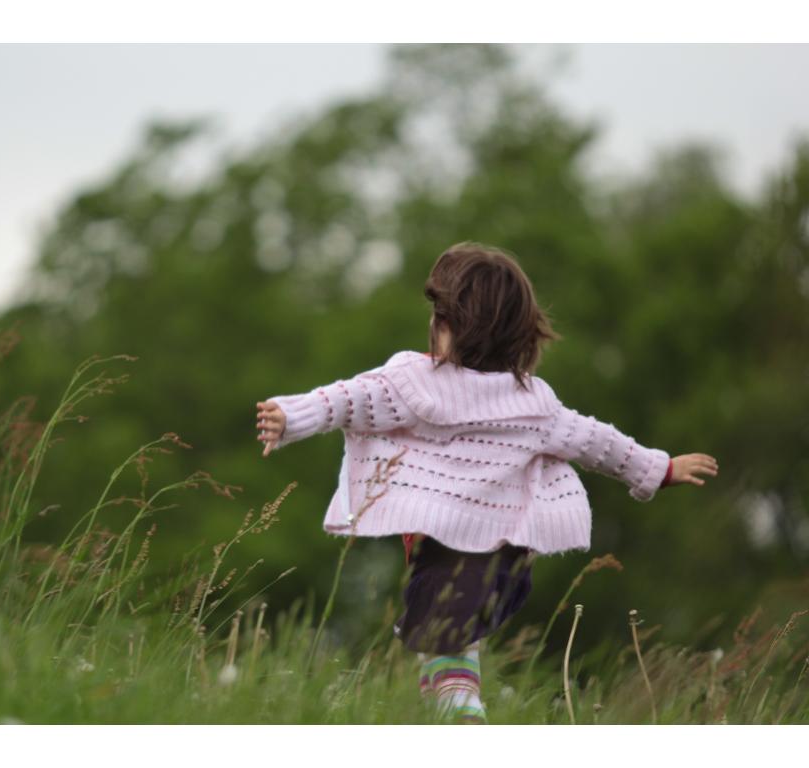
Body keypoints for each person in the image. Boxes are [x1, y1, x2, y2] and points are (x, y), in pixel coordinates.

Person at [255, 241, 718, 724]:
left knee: (444, 642)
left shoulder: (414, 383)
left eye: (440, 317)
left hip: (447, 550)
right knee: (449, 642)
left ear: (453, 327)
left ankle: (463, 717)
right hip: (508, 561)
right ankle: (449, 712)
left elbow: (348, 399)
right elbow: (597, 442)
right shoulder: (534, 400)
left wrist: (290, 415)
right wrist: (658, 469)